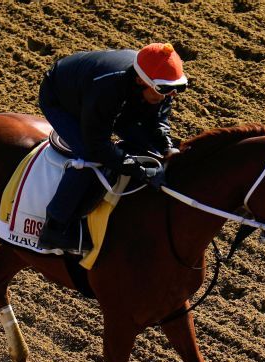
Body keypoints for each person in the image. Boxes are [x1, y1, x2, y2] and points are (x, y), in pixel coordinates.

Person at [36, 43, 188, 251]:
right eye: (161, 90)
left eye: (175, 89)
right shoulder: (107, 88)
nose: (167, 96)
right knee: (89, 157)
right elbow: (97, 146)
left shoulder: (160, 87)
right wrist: (138, 168)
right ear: (139, 80)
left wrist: (166, 146)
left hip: (110, 98)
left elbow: (157, 119)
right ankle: (54, 227)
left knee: (149, 147)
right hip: (63, 99)